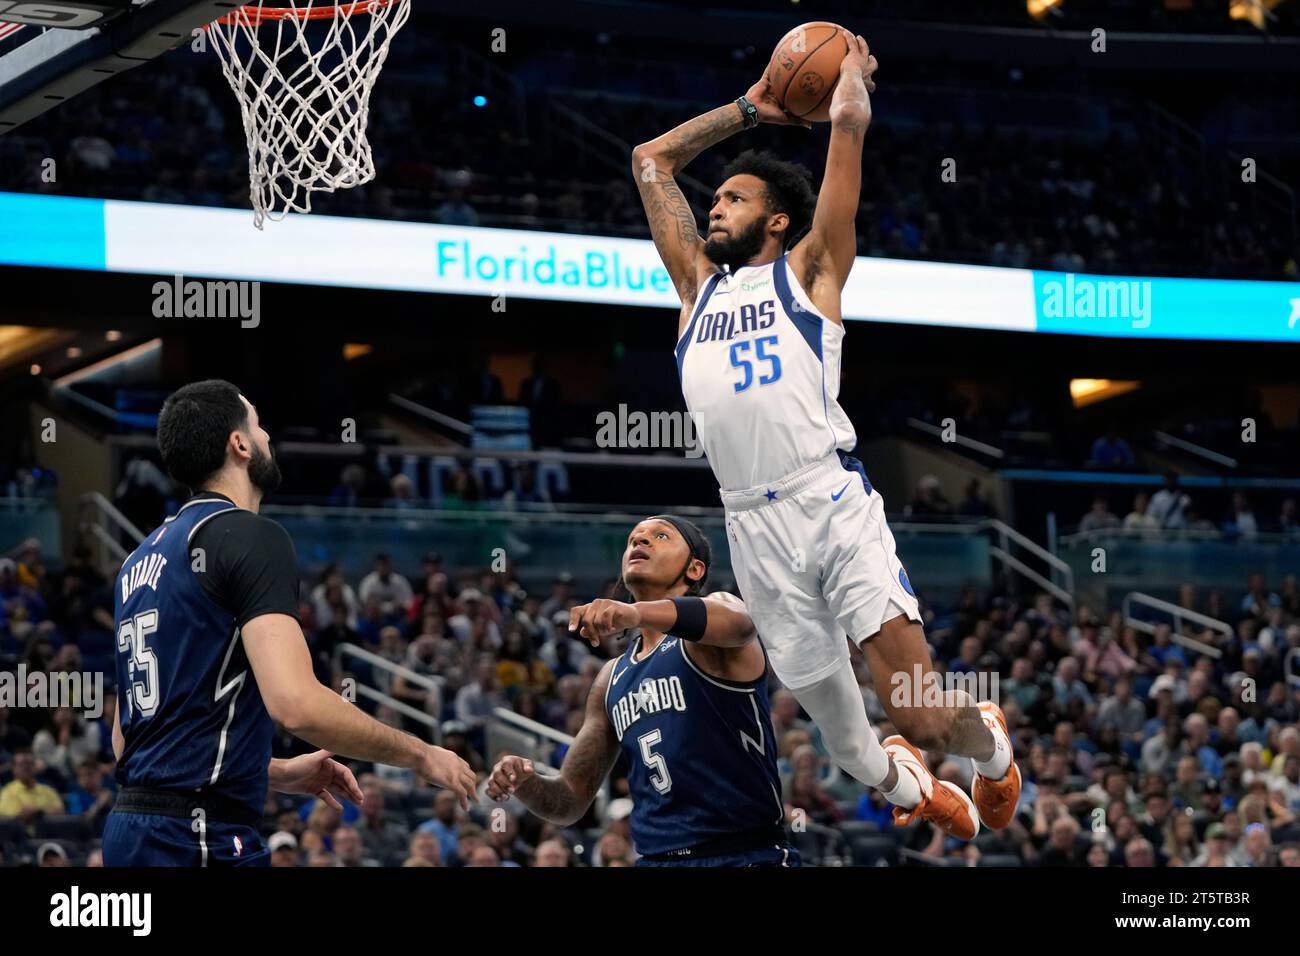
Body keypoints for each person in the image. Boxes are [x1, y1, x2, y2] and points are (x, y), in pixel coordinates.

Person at [630, 30, 1015, 840]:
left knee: (924, 714)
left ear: (775, 220)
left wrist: (847, 77)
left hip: (828, 499)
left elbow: (846, 132)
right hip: (751, 523)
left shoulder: (809, 270)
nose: (714, 207)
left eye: (730, 199)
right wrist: (749, 109)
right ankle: (908, 787)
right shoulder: (695, 290)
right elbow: (650, 161)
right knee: (846, 747)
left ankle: (989, 756)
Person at [103, 380, 475, 866]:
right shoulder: (250, 536)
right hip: (198, 837)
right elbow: (297, 706)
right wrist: (422, 755)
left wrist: (273, 772)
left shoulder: (136, 561)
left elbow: (126, 740)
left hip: (130, 832)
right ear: (239, 445)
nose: (268, 437)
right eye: (257, 425)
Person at [488, 515, 797, 866]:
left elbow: (742, 624)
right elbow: (571, 800)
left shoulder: (713, 629)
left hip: (741, 854)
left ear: (695, 569)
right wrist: (526, 782)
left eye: (660, 536)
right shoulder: (611, 678)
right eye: (633, 539)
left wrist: (634, 613)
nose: (640, 542)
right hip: (655, 858)